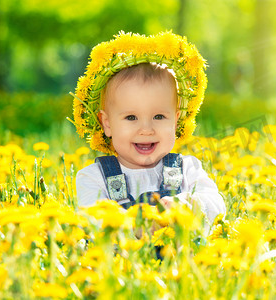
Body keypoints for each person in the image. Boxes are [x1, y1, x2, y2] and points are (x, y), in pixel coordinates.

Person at [72, 31, 226, 224]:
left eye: (159, 116)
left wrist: (187, 205)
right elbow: (92, 221)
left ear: (175, 121)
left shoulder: (187, 169)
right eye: (131, 117)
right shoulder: (94, 177)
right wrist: (136, 225)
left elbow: (216, 205)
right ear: (107, 124)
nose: (146, 129)